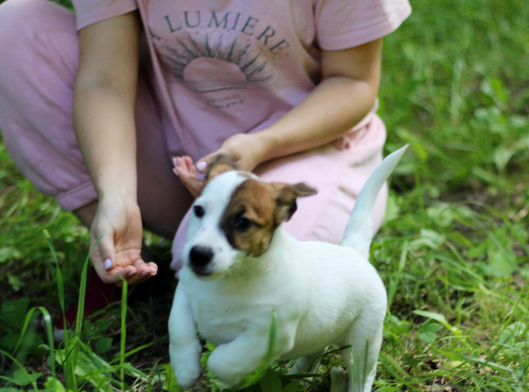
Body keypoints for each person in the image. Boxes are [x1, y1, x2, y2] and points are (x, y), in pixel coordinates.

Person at [0, 0, 411, 294]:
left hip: (302, 154)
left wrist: (258, 146)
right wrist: (117, 196)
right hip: (175, 161)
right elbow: (104, 82)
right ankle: (123, 250)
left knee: (285, 291)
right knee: (13, 27)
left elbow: (353, 83)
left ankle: (196, 249)